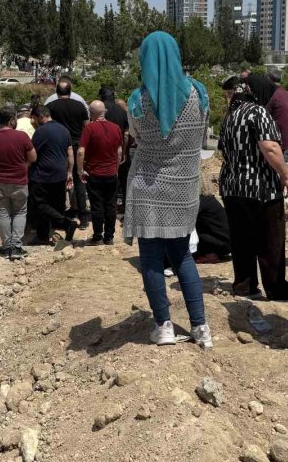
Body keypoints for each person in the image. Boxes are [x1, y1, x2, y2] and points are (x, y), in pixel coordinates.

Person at [123, 32, 213, 348]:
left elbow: (135, 136)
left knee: (150, 259)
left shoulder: (138, 100)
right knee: (182, 257)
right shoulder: (199, 95)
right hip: (184, 189)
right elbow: (201, 136)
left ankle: (163, 326)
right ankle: (200, 327)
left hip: (148, 188)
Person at [219, 75, 288, 301]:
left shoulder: (230, 115)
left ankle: (245, 286)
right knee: (270, 241)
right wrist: (285, 176)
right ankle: (277, 290)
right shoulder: (257, 112)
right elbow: (270, 147)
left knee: (241, 239)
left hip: (232, 186)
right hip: (260, 187)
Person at [0, 105, 36, 260]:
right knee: (19, 212)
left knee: (2, 213)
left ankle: (6, 247)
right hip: (19, 181)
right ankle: (16, 247)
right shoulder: (22, 136)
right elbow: (33, 157)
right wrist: (23, 164)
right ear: (12, 119)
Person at [30, 106, 77, 243]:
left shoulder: (40, 132)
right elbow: (70, 153)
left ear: (40, 116)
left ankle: (65, 224)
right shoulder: (64, 130)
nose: (34, 122)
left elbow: (33, 154)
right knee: (53, 205)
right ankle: (43, 235)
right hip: (60, 173)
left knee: (39, 205)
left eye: (34, 119)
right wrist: (69, 172)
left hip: (43, 173)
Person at [78, 100, 123, 245]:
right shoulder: (116, 128)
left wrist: (80, 170)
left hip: (95, 173)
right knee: (111, 205)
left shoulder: (90, 128)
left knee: (97, 205)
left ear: (91, 114)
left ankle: (97, 236)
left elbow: (80, 151)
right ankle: (109, 237)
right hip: (111, 173)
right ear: (105, 112)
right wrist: (116, 169)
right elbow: (119, 151)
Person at [48, 80, 90, 227]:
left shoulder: (51, 107)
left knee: (59, 182)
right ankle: (83, 218)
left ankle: (60, 217)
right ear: (70, 91)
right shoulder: (80, 106)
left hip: (59, 147)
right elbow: (86, 126)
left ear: (57, 91)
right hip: (78, 145)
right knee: (79, 182)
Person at [194, 194, 231, 263]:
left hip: (221, 244)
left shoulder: (200, 202)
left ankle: (210, 255)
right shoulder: (207, 199)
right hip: (226, 243)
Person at [266, 73, 288, 151]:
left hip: (275, 139)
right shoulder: (286, 93)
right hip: (285, 138)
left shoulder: (273, 95)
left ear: (269, 81)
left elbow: (264, 115)